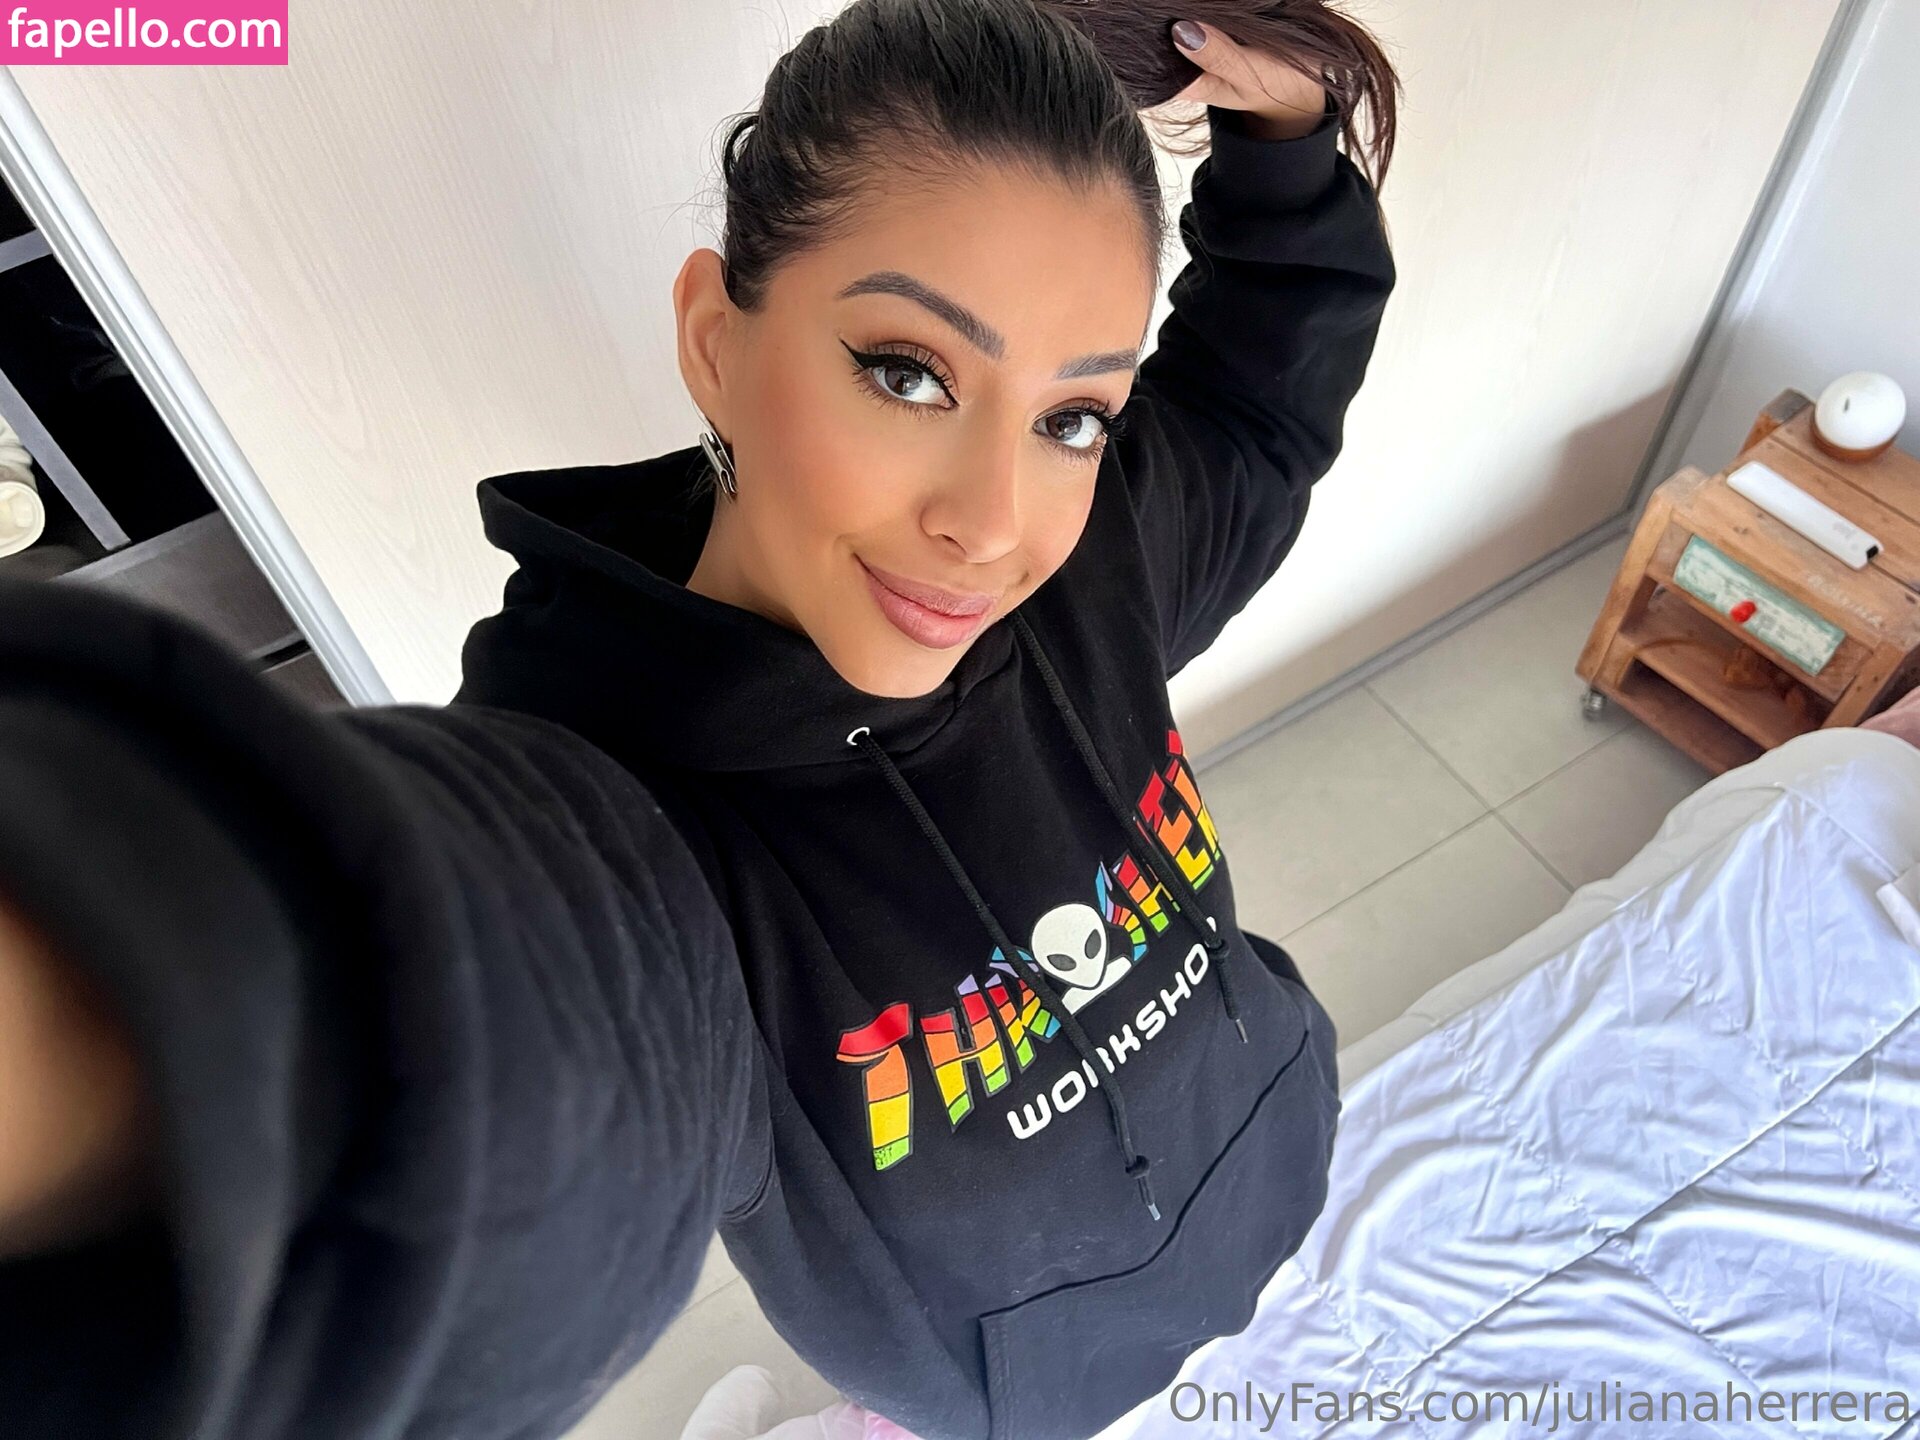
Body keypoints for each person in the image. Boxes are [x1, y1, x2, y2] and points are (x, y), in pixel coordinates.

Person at [0, 2, 1399, 1437]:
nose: (992, 527)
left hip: (1280, 1160)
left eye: (1073, 417)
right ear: (717, 343)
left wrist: (1287, 142)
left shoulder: (1095, 565)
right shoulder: (618, 801)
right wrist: (112, 1035)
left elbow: (1254, 406)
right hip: (1004, 1391)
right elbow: (458, 1002)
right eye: (909, 373)